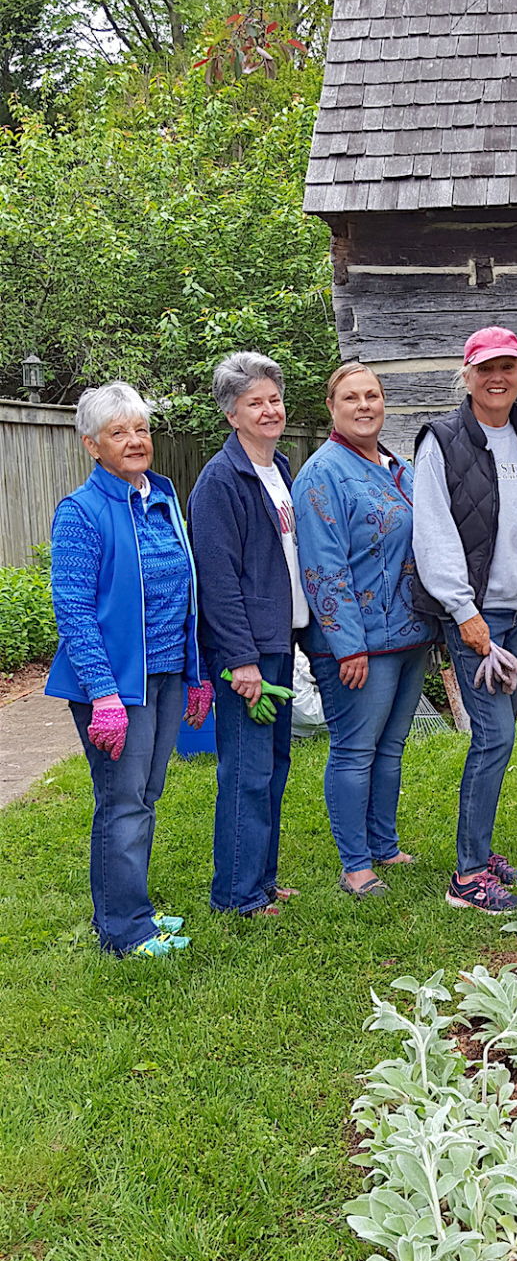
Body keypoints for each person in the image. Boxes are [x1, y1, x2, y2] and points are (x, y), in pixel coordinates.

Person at [45, 382, 213, 958]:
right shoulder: (81, 512)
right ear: (93, 445)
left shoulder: (162, 499)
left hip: (165, 674)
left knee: (144, 794)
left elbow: (184, 595)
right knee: (123, 801)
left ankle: (125, 913)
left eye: (140, 429)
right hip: (116, 686)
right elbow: (73, 609)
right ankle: (125, 931)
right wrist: (105, 695)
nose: (134, 440)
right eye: (118, 433)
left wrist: (197, 672)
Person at [412, 326, 517, 913]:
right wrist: (464, 613)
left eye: (509, 367)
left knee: (501, 738)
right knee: (494, 738)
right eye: (486, 368)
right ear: (466, 375)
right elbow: (434, 532)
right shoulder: (441, 441)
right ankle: (467, 878)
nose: (498, 378)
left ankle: (482, 851)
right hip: (479, 616)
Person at [293, 363, 434, 898]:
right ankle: (356, 865)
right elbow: (323, 566)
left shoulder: (396, 466)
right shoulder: (323, 474)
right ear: (332, 408)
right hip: (357, 646)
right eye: (350, 397)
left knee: (390, 747)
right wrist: (347, 644)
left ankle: (384, 844)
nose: (364, 405)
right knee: (355, 750)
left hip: (409, 635)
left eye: (372, 395)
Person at [187, 352, 308, 916]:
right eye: (254, 403)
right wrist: (240, 660)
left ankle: (261, 879)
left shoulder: (279, 470)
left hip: (278, 642)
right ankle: (236, 895)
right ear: (231, 414)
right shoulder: (220, 481)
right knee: (247, 771)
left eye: (274, 399)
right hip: (248, 653)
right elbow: (218, 580)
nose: (269, 410)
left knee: (274, 764)